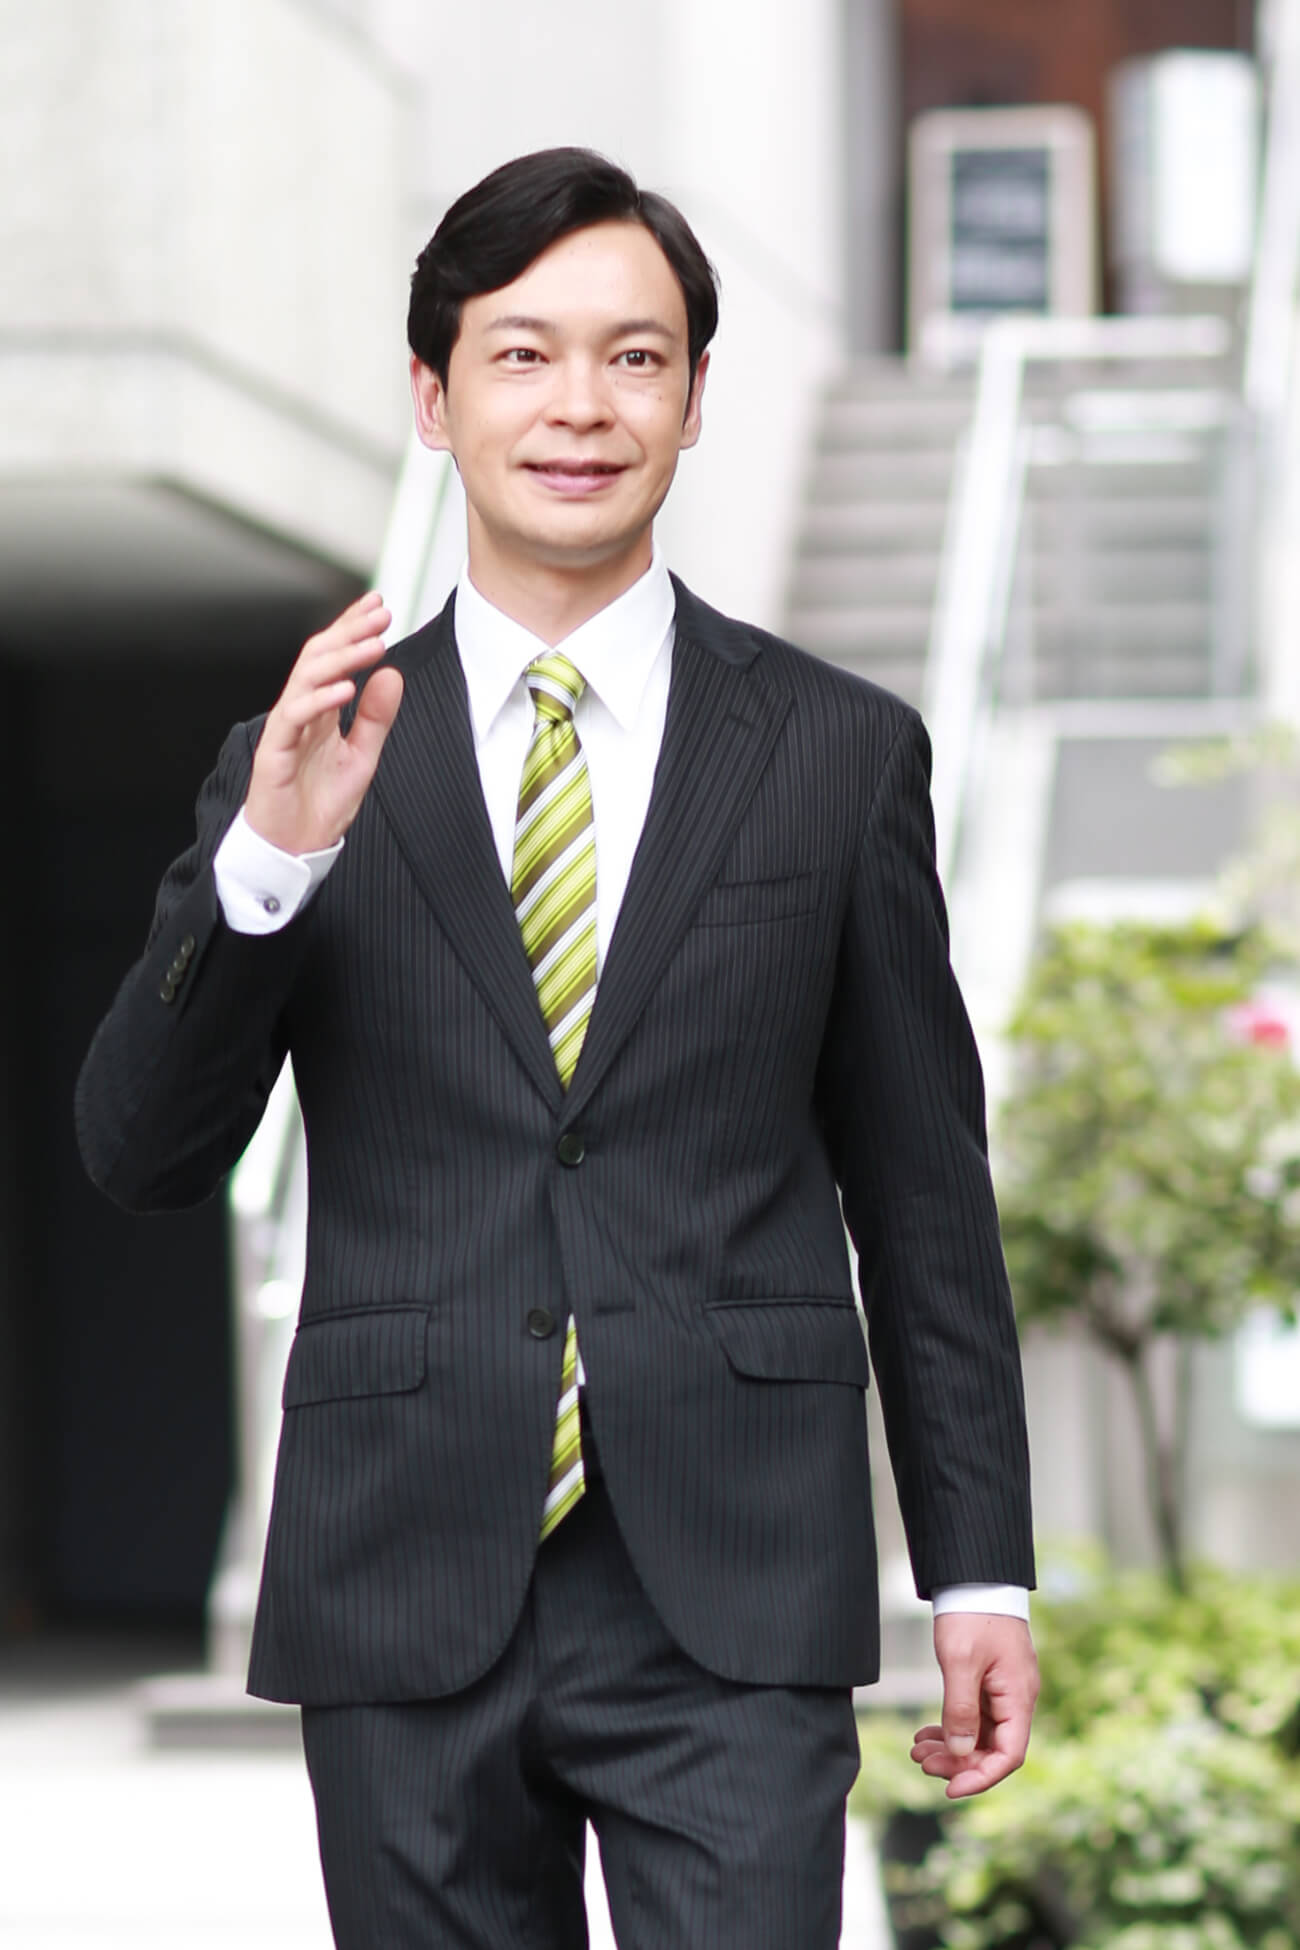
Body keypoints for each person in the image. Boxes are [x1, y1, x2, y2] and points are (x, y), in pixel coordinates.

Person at [77, 147, 1038, 1950]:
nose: (581, 405)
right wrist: (269, 862)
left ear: (694, 399)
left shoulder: (838, 753)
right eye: (522, 355)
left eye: (635, 357)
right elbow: (140, 1150)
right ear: (432, 398)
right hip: (403, 1568)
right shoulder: (305, 757)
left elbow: (926, 1196)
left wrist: (980, 1564)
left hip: (732, 1583)